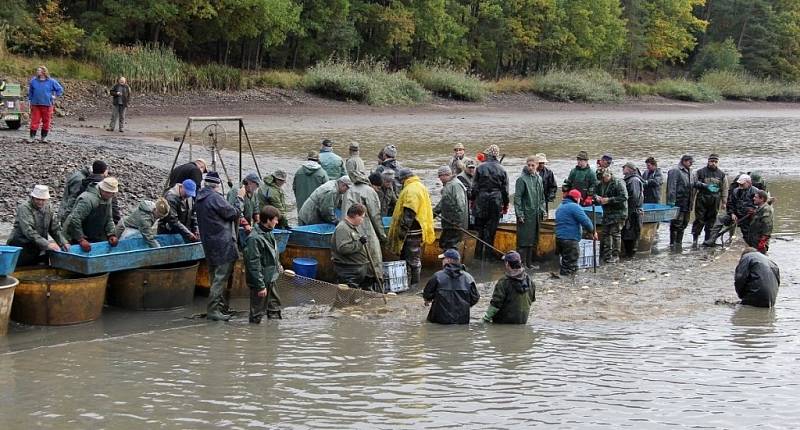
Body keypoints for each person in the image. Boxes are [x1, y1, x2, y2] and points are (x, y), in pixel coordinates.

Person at [196, 171, 244, 321]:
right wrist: (240, 199)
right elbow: (233, 213)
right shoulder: (214, 198)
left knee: (214, 277)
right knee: (220, 279)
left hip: (209, 243)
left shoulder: (199, 198)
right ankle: (213, 310)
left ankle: (219, 306)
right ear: (216, 185)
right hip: (222, 243)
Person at [388, 168, 435, 290]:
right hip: (417, 228)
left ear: (404, 179)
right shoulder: (419, 186)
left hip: (412, 230)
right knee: (409, 257)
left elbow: (410, 212)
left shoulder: (411, 190)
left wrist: (402, 231)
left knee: (413, 258)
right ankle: (408, 283)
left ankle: (414, 285)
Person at [341, 170, 387, 283]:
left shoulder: (349, 190)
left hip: (347, 227)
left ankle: (356, 283)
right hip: (365, 227)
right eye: (378, 188)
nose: (378, 190)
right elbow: (375, 215)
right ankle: (372, 282)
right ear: (373, 184)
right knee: (373, 254)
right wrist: (382, 236)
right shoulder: (369, 191)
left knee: (355, 255)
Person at [7, 185, 69, 265]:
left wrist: (63, 242)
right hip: (22, 245)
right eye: (38, 199)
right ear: (32, 198)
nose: (40, 202)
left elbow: (55, 229)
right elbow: (29, 231)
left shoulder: (49, 208)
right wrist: (48, 244)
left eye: (43, 200)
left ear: (46, 199)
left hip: (40, 245)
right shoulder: (24, 208)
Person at [244, 205, 284, 322]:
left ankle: (273, 336)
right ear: (267, 220)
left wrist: (279, 265)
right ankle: (255, 336)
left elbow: (273, 252)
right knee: (257, 314)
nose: (277, 222)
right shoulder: (254, 239)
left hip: (271, 277)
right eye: (275, 219)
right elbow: (253, 265)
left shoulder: (269, 232)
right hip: (260, 281)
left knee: (275, 309)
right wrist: (260, 286)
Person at [471, 144, 509, 259]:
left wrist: (473, 200)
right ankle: (488, 255)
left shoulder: (480, 168)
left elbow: (474, 188)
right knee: (491, 230)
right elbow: (505, 191)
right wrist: (505, 204)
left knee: (479, 230)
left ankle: (477, 255)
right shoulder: (502, 169)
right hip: (496, 202)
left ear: (488, 155)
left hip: (481, 201)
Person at [422, 249, 479, 325]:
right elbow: (475, 297)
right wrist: (464, 306)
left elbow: (427, 294)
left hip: (439, 321)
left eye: (443, 259)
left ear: (448, 260)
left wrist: (428, 300)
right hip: (461, 321)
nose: (442, 261)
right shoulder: (468, 278)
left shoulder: (437, 276)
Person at [64, 177, 120, 251]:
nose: (112, 195)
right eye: (110, 193)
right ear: (103, 190)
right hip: (76, 235)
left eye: (113, 193)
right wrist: (81, 239)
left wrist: (111, 234)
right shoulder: (87, 199)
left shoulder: (108, 198)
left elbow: (108, 218)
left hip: (94, 233)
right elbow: (75, 220)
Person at [704, 174, 759, 247]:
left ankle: (751, 245)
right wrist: (732, 213)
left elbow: (760, 205)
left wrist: (754, 211)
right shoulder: (735, 191)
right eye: (739, 184)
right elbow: (730, 204)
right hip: (735, 215)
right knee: (720, 219)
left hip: (748, 218)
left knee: (748, 237)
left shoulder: (756, 192)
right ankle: (712, 239)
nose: (740, 185)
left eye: (742, 184)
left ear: (749, 183)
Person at [482, 251, 536, 324]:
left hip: (502, 323)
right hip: (522, 321)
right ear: (519, 262)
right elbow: (532, 299)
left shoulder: (503, 282)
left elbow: (496, 304)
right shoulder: (530, 280)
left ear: (507, 264)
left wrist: (485, 319)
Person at [332, 203, 377, 291]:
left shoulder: (352, 227)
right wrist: (360, 243)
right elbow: (343, 249)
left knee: (352, 297)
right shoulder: (343, 228)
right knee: (344, 297)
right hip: (348, 271)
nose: (362, 220)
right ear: (356, 215)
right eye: (362, 217)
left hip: (356, 270)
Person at [555, 189, 596, 276]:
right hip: (570, 239)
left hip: (559, 239)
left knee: (565, 262)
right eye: (579, 199)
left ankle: (566, 280)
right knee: (571, 264)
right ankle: (569, 283)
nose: (579, 201)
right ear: (576, 198)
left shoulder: (560, 206)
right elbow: (586, 221)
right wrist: (593, 231)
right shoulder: (575, 207)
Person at [514, 156, 545, 269]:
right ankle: (521, 264)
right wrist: (520, 214)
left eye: (533, 165)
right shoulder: (522, 180)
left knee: (532, 240)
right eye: (529, 165)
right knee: (523, 240)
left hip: (535, 214)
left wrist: (543, 211)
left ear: (537, 165)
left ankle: (529, 264)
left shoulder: (539, 179)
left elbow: (542, 197)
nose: (530, 167)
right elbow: (517, 198)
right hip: (525, 214)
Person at [691, 154, 728, 246]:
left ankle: (707, 240)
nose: (713, 163)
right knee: (699, 220)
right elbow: (694, 186)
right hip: (702, 198)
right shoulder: (700, 172)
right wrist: (692, 199)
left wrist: (724, 202)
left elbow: (725, 189)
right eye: (712, 161)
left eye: (715, 162)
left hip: (715, 200)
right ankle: (695, 239)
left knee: (712, 220)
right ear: (708, 161)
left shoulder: (722, 175)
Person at [433, 165, 468, 252]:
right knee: (443, 243)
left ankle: (452, 263)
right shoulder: (448, 185)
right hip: (448, 223)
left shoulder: (455, 185)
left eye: (440, 176)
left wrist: (457, 223)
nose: (439, 178)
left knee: (450, 245)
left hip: (455, 224)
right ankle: (447, 263)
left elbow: (461, 205)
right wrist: (431, 214)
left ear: (446, 175)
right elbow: (443, 203)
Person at [596, 170, 628, 263]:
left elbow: (624, 197)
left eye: (604, 178)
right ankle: (606, 254)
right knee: (605, 233)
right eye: (601, 178)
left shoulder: (618, 183)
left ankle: (615, 255)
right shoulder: (601, 184)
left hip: (619, 212)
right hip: (607, 212)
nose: (603, 180)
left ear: (609, 175)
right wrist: (597, 197)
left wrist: (609, 200)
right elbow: (594, 192)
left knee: (615, 233)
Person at [28, 65, 63, 142]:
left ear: (44, 72)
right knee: (34, 121)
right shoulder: (33, 81)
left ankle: (43, 137)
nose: (37, 72)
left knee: (46, 121)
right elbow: (30, 92)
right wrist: (29, 100)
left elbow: (60, 89)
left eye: (39, 70)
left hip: (47, 104)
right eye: (37, 70)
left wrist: (55, 96)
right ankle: (32, 137)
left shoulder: (51, 81)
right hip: (36, 104)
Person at [666, 155, 694, 248]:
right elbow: (671, 187)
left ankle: (679, 244)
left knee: (684, 224)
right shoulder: (675, 171)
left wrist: (705, 186)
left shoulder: (690, 171)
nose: (691, 164)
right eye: (690, 162)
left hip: (688, 203)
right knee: (676, 224)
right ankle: (672, 244)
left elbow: (693, 184)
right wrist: (671, 201)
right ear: (684, 161)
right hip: (678, 202)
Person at [228, 172, 261, 240]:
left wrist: (258, 223)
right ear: (249, 183)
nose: (257, 187)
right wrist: (245, 224)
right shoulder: (236, 191)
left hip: (246, 228)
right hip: (234, 226)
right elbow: (234, 211)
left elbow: (256, 210)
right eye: (256, 185)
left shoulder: (254, 194)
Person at [622, 162, 644, 257]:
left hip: (633, 211)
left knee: (631, 234)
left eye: (624, 167)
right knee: (628, 234)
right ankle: (629, 254)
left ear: (629, 169)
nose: (623, 169)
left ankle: (630, 255)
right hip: (632, 210)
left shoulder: (633, 180)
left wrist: (627, 209)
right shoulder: (630, 179)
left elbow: (634, 197)